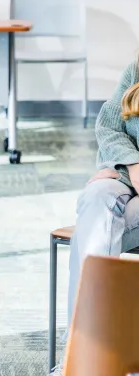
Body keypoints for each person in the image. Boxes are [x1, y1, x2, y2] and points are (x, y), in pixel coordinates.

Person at [50, 60, 139, 374]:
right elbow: (109, 127)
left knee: (99, 222)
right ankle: (86, 353)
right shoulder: (136, 69)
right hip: (131, 183)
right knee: (97, 197)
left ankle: (89, 357)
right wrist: (130, 164)